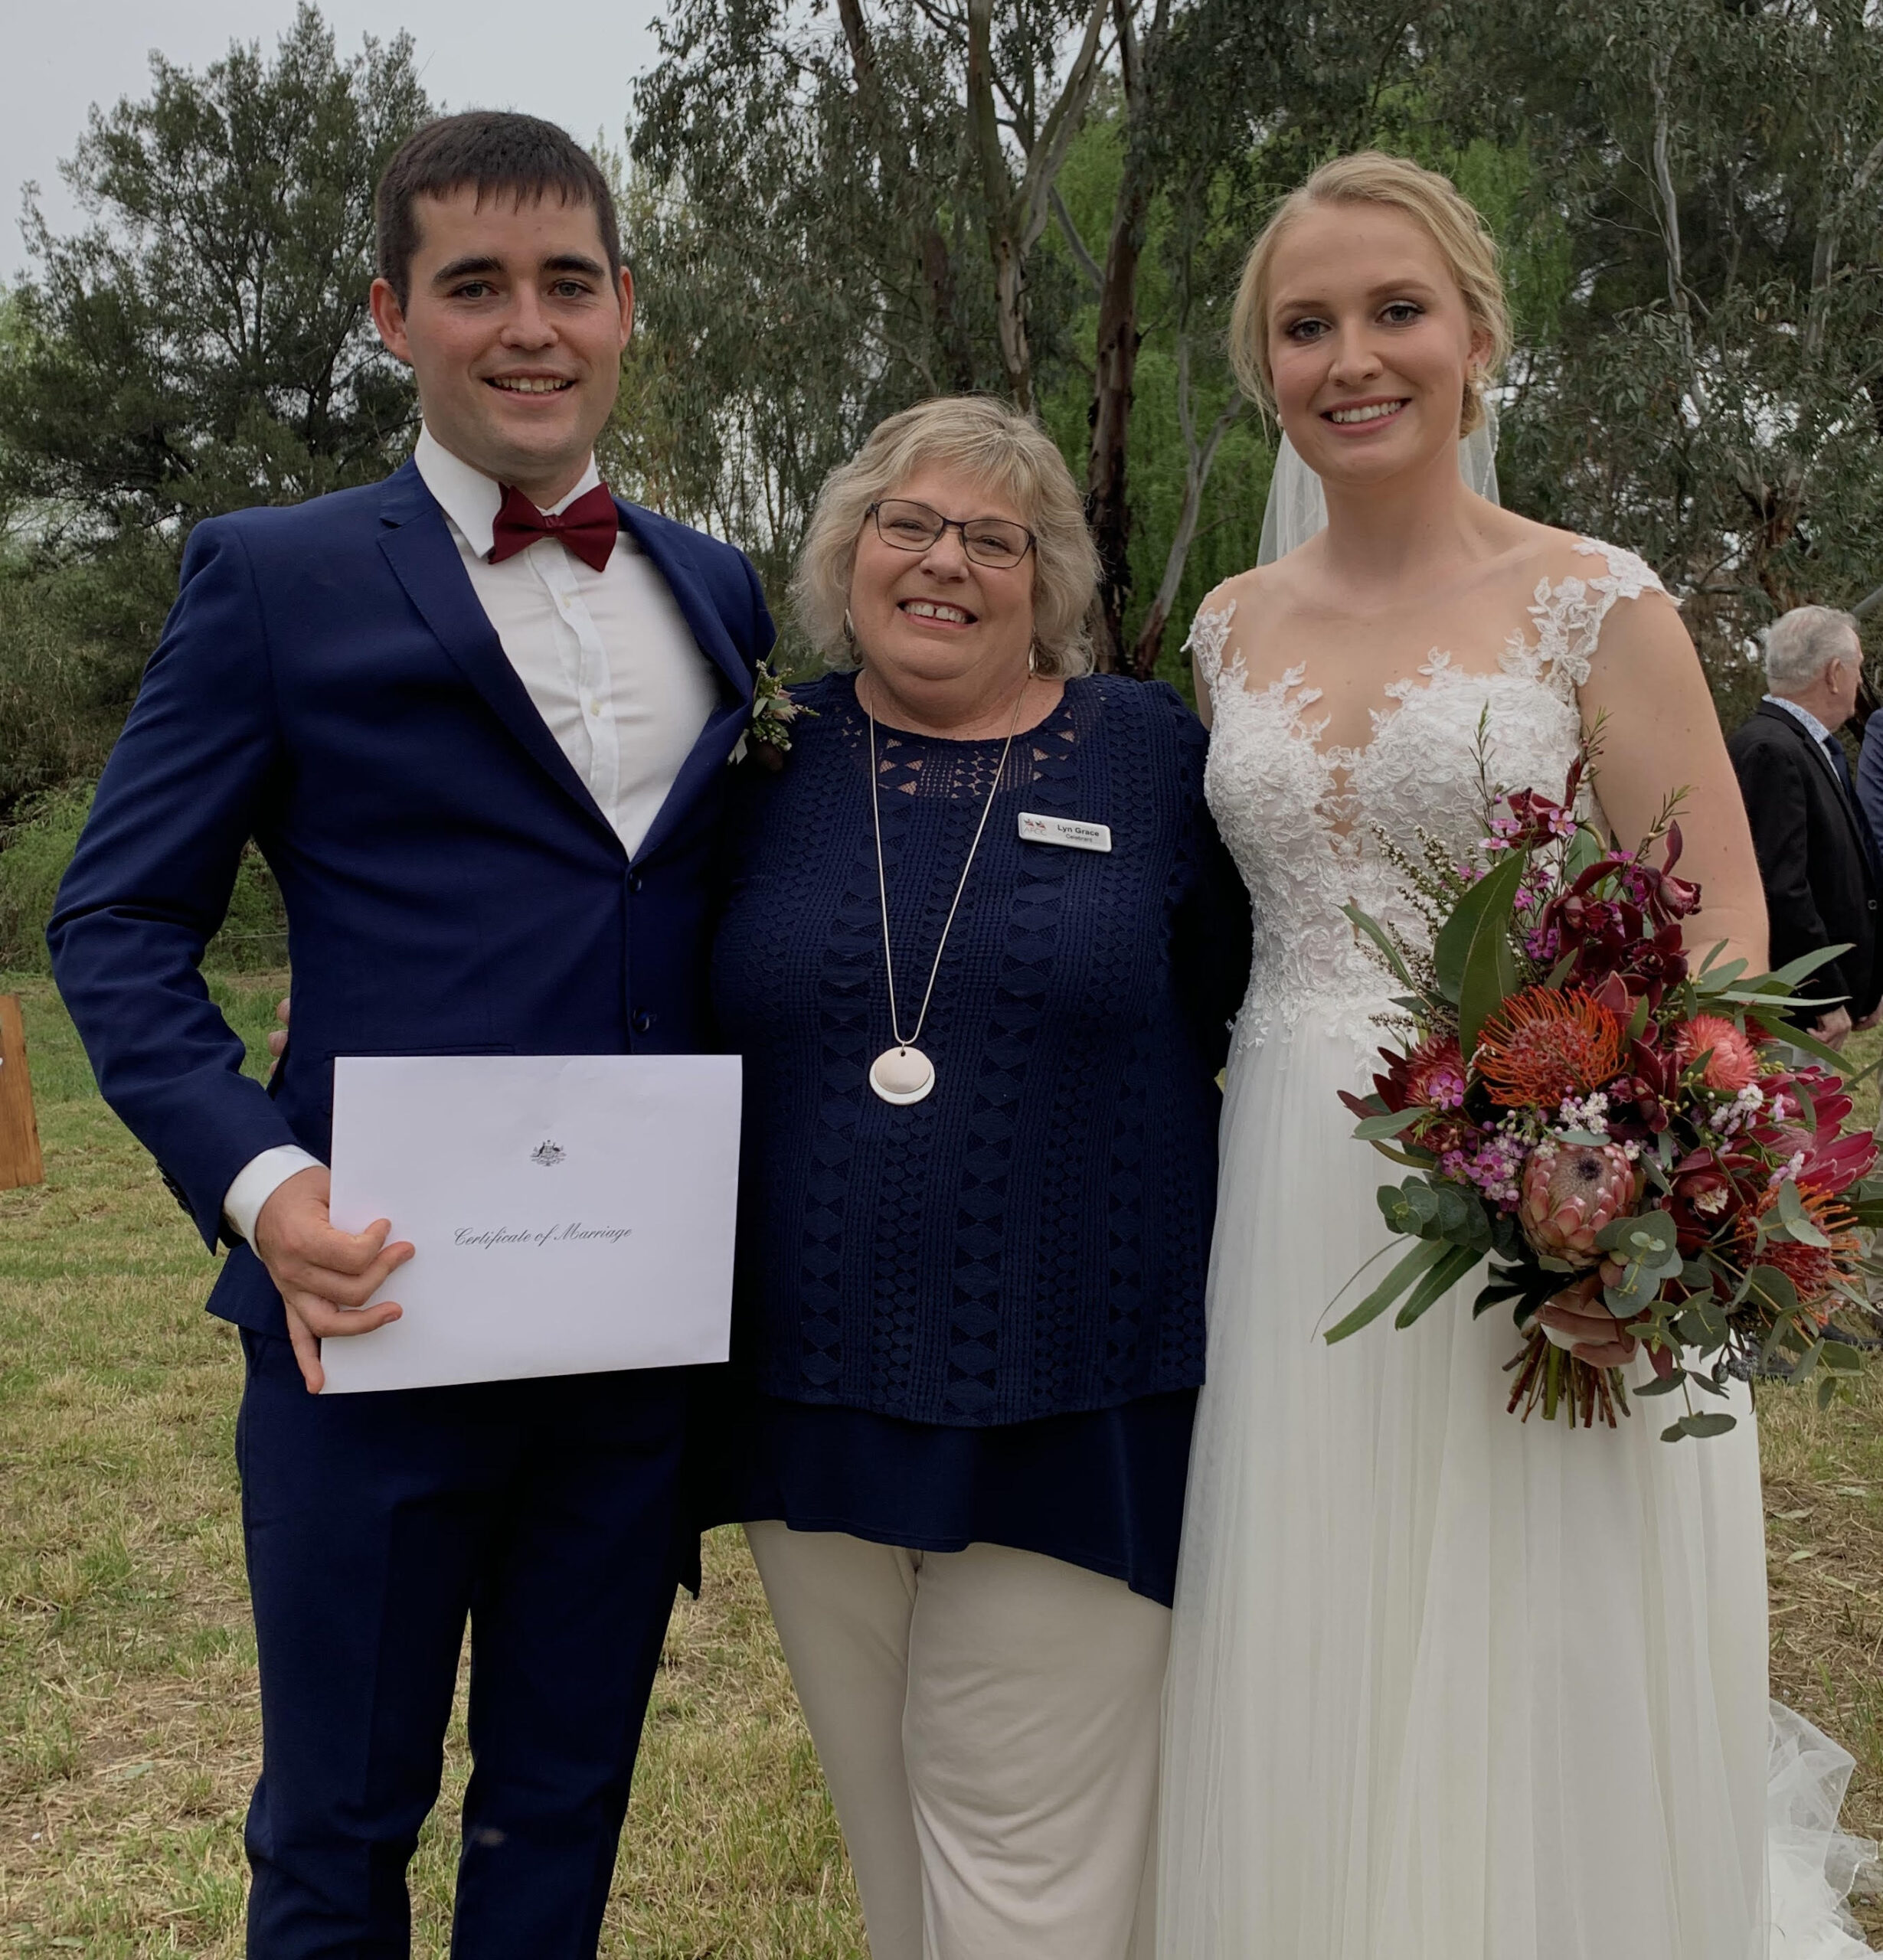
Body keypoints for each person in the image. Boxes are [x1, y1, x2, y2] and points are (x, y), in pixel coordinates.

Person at [47, 112, 772, 1958]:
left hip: (631, 1337)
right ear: (392, 314)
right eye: (474, 286)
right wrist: (261, 1182)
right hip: (367, 1307)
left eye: (567, 283)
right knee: (337, 1821)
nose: (528, 326)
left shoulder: (717, 586)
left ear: (626, 307)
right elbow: (115, 923)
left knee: (564, 1803)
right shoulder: (272, 575)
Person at [1156, 152, 1874, 1958]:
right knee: (1320, 1613)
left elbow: (1721, 948)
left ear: (1477, 338)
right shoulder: (1227, 625)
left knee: (1541, 1627)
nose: (1349, 357)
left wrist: (1641, 1206)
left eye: (1394, 310)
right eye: (1303, 325)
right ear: (1263, 367)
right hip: (1290, 1188)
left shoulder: (1594, 600)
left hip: (1541, 1192)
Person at [703, 394, 1250, 1960]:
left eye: (993, 540)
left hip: (1074, 1391)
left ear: (1047, 580)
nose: (943, 561)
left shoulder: (1146, 753)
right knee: (887, 1836)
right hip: (807, 1393)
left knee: (1026, 1864)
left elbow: (1241, 997)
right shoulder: (763, 755)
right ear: (846, 554)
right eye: (906, 525)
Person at [1728, 603, 1882, 1047]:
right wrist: (1822, 993)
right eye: (1857, 668)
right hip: (1798, 1017)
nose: (1859, 682)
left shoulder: (1804, 747)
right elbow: (1780, 886)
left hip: (1817, 1008)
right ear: (1834, 673)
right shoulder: (1772, 750)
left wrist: (1868, 982)